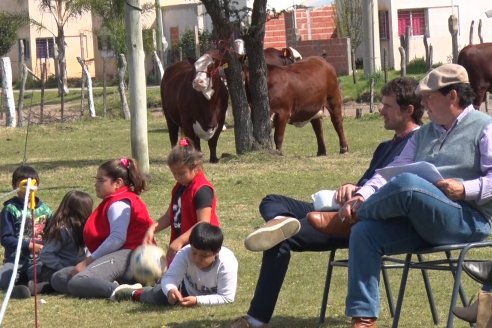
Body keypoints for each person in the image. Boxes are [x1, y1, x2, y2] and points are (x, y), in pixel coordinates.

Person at [231, 77, 424, 328]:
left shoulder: (418, 145)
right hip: (343, 208)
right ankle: (280, 221)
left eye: (387, 105)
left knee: (280, 239)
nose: (380, 110)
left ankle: (256, 321)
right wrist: (351, 188)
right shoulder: (384, 147)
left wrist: (358, 193)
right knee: (272, 201)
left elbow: (397, 188)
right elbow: (368, 184)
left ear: (408, 110)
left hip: (362, 222)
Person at [328, 63, 492, 328]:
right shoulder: (424, 133)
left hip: (467, 220)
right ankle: (363, 318)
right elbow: (388, 173)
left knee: (408, 183)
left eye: (429, 96)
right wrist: (362, 194)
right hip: (422, 220)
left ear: (453, 96)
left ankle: (351, 217)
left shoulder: (485, 127)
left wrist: (464, 189)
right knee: (365, 233)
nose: (424, 103)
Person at [50, 157, 154, 298]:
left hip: (131, 258)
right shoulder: (112, 201)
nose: (96, 184)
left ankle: (128, 293)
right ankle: (110, 284)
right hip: (116, 257)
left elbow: (117, 239)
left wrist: (88, 261)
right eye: (96, 180)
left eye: (101, 180)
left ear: (117, 183)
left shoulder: (119, 203)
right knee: (59, 277)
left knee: (78, 281)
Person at [110, 223, 238, 306]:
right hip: (184, 290)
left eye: (204, 256)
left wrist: (197, 301)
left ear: (216, 252)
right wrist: (171, 289)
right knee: (158, 297)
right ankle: (131, 292)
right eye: (194, 253)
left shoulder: (227, 262)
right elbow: (170, 278)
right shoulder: (185, 253)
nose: (197, 259)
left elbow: (227, 297)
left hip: (194, 298)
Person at [143, 137, 220, 265]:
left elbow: (203, 223)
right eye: (174, 174)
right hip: (184, 246)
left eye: (181, 173)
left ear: (196, 167)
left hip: (201, 249)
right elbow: (170, 216)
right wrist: (152, 228)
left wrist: (179, 241)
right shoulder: (179, 187)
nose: (177, 177)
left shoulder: (202, 190)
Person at [0, 165, 52, 299]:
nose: (28, 189)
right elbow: (5, 238)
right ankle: (17, 290)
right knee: (5, 278)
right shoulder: (10, 210)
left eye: (32, 184)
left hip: (37, 259)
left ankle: (31, 286)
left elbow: (52, 233)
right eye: (23, 185)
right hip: (15, 259)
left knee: (41, 273)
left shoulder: (45, 210)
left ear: (37, 186)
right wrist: (28, 245)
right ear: (14, 186)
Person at [27, 190, 93, 295]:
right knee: (58, 279)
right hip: (53, 270)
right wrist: (61, 267)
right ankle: (37, 287)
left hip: (75, 268)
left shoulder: (86, 227)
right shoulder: (63, 229)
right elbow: (46, 254)